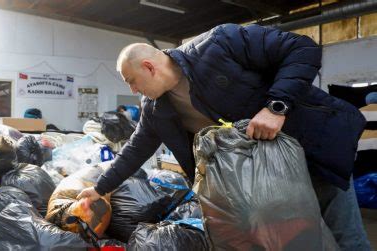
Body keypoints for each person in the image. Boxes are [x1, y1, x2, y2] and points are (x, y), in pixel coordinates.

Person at [77, 23, 371, 250]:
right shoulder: (155, 108)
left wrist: (276, 107)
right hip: (260, 185)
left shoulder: (220, 45)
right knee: (295, 241)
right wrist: (101, 188)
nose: (133, 90)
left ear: (149, 67)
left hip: (307, 151)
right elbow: (136, 148)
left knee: (345, 236)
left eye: (132, 81)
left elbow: (302, 48)